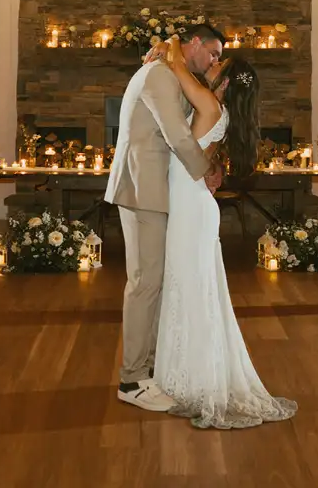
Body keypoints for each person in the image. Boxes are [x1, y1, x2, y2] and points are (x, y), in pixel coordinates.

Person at [150, 37, 297, 429]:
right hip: (194, 204)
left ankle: (193, 381)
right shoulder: (218, 109)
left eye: (218, 64)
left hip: (192, 209)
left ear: (228, 83)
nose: (210, 65)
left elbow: (178, 65)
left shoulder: (210, 102)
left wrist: (172, 41)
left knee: (190, 289)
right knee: (190, 289)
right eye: (213, 58)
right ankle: (186, 376)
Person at [104, 24, 225, 412]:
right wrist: (205, 169)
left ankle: (147, 370)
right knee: (145, 283)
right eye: (213, 53)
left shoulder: (166, 70)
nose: (214, 61)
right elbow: (175, 133)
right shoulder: (157, 74)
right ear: (194, 44)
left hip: (154, 189)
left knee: (152, 282)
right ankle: (133, 380)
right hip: (143, 189)